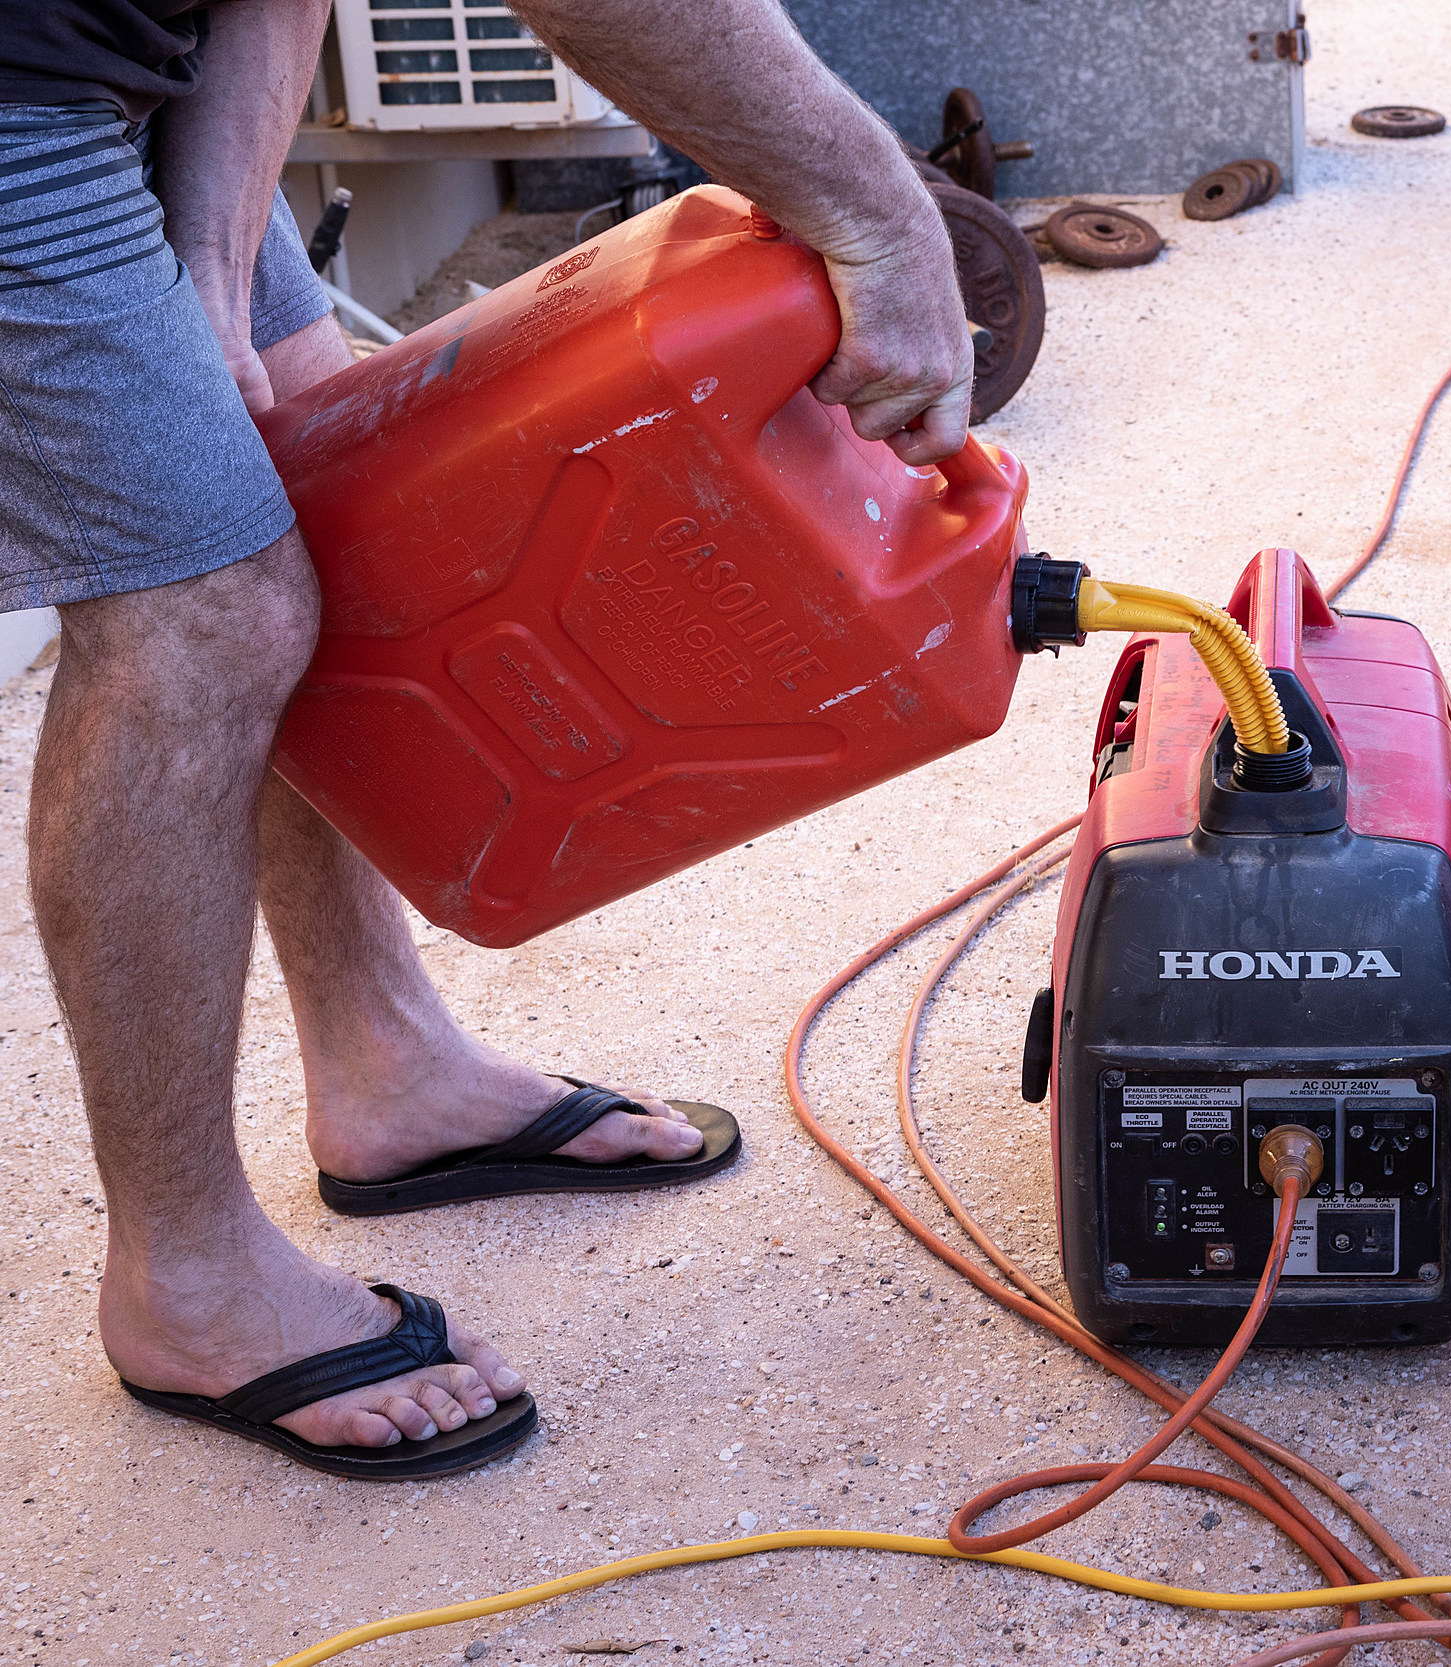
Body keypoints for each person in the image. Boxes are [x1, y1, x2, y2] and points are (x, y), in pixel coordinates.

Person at [0, 0, 973, 1478]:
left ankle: (387, 1069)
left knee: (323, 482)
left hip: (112, 59)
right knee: (200, 614)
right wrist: (879, 210)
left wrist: (210, 224)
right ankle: (182, 1278)